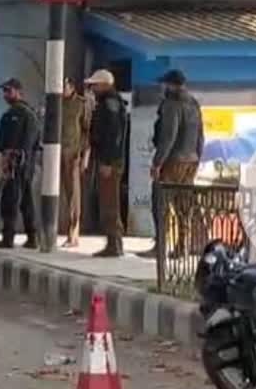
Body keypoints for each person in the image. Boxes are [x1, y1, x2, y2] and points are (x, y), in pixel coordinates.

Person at [141, 69, 205, 259]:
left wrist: (157, 162)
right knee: (183, 205)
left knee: (160, 202)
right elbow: (201, 136)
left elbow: (168, 136)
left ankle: (160, 246)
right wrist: (196, 158)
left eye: (165, 84)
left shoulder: (171, 104)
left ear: (171, 85)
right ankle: (181, 246)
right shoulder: (193, 103)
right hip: (190, 161)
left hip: (173, 161)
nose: (162, 87)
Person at [0, 78, 41, 249]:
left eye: (8, 90)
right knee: (26, 201)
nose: (5, 94)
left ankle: (8, 238)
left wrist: (11, 157)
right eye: (4, 91)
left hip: (15, 163)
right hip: (25, 164)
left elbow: (7, 142)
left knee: (10, 200)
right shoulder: (29, 113)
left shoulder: (18, 114)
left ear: (19, 92)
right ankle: (32, 236)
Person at [85, 69, 129, 258]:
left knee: (110, 202)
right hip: (107, 159)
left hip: (109, 161)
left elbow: (113, 136)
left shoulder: (110, 104)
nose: (92, 89)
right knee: (108, 201)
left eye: (95, 85)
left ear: (104, 85)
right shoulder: (109, 103)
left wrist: (107, 162)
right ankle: (113, 243)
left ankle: (114, 244)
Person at [60, 77, 90, 248]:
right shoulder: (55, 103)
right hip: (56, 153)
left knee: (73, 195)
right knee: (62, 194)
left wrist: (85, 155)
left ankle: (73, 234)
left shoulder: (80, 104)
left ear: (71, 87)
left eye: (64, 86)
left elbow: (87, 131)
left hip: (73, 153)